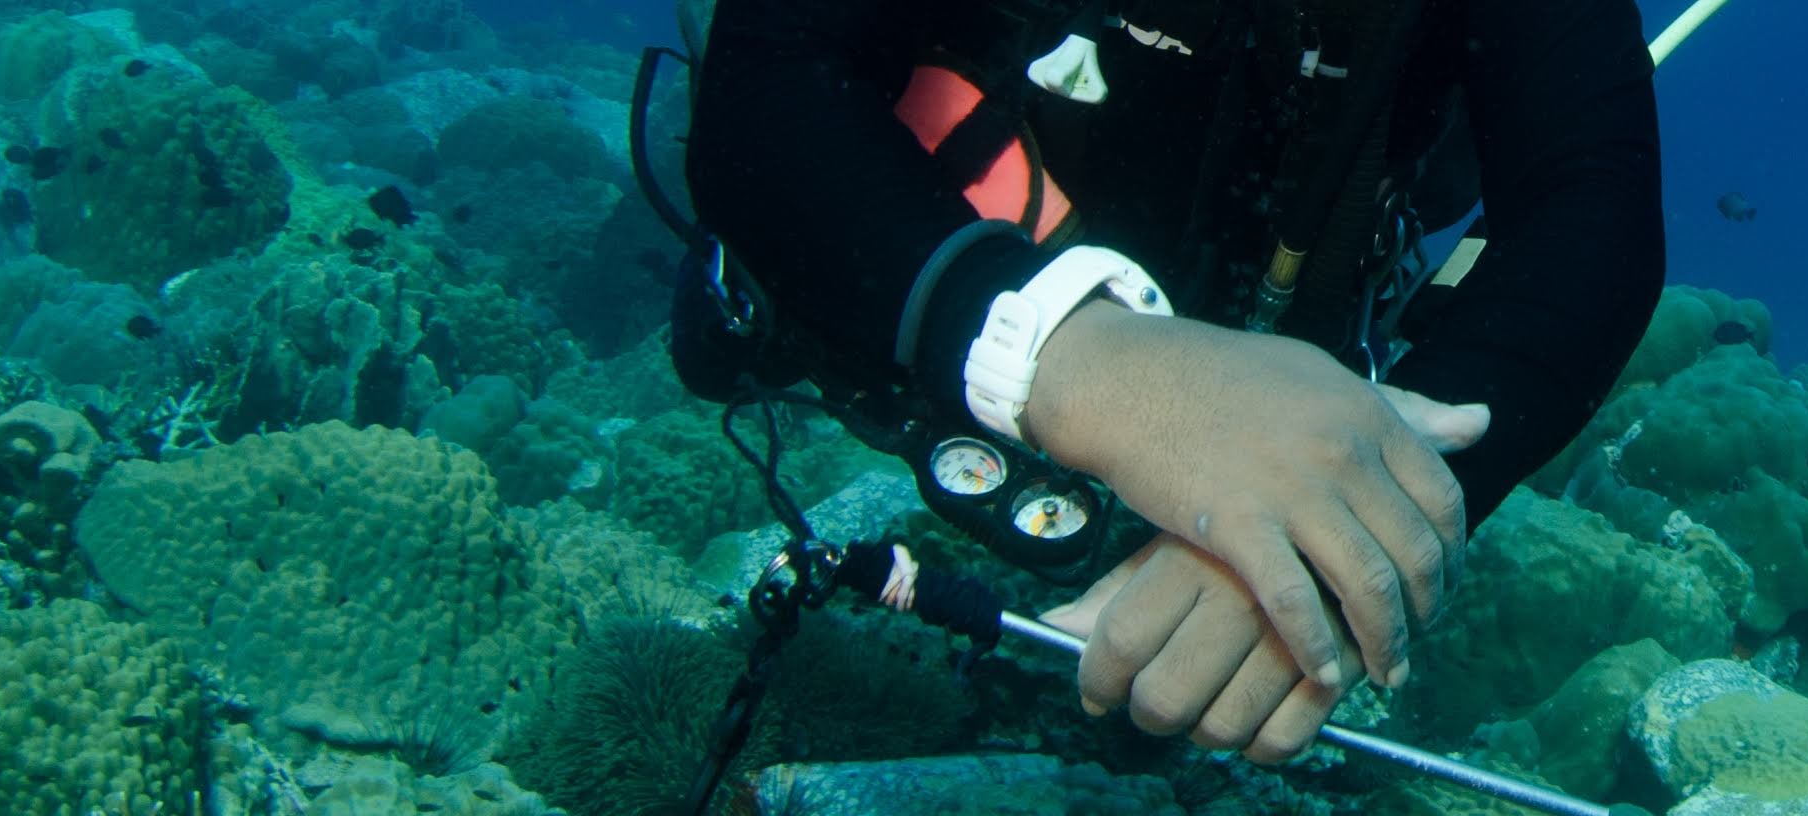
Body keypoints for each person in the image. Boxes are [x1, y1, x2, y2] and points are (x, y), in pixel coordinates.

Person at [671, 0, 1667, 764]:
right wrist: (1065, 354)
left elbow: (1593, 211)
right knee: (729, 338)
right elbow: (767, 78)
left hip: (1261, 265)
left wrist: (1354, 499)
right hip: (929, 216)